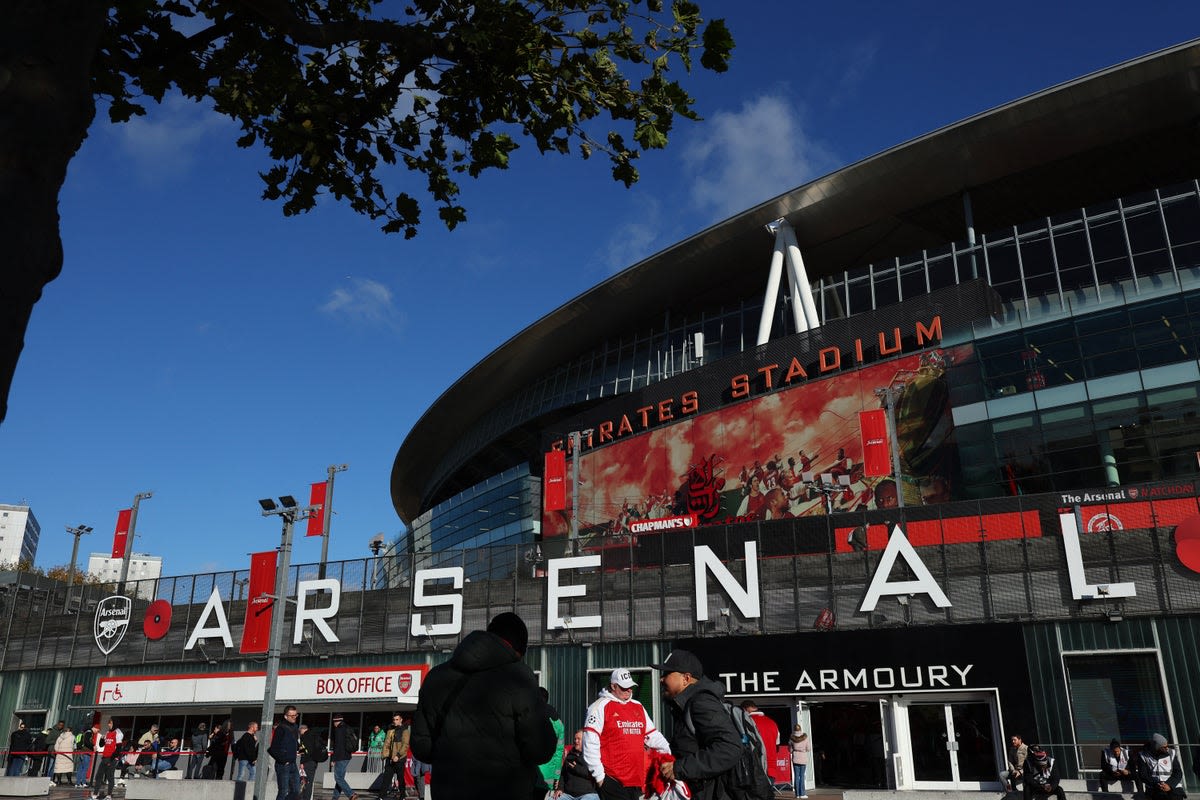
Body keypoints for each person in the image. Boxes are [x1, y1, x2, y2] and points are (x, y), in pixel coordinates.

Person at [410, 611, 556, 800]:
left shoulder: (436, 677)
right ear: (519, 649)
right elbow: (541, 748)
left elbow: (421, 746)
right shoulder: (518, 677)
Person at [651, 649, 742, 800]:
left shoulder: (701, 702)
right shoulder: (686, 705)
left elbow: (730, 747)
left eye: (666, 674)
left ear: (686, 678)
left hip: (713, 793)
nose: (661, 679)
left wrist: (679, 768)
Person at [582, 667, 671, 800]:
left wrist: (669, 755)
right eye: (624, 687)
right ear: (613, 686)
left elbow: (652, 735)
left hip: (636, 781)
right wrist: (600, 777)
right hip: (612, 780)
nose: (629, 690)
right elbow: (590, 742)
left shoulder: (638, 706)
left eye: (630, 686)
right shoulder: (599, 706)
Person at [267, 706, 302, 800]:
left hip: (293, 764)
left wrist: (302, 749)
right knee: (283, 791)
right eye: (292, 716)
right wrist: (283, 760)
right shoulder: (280, 728)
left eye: (296, 715)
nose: (294, 717)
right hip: (283, 765)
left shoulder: (295, 727)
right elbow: (272, 749)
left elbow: (294, 742)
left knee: (296, 791)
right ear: (286, 716)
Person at [1137, 734, 1185, 799]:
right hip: (1153, 786)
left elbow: (1178, 772)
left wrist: (1169, 785)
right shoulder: (1143, 755)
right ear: (1156, 747)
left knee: (1176, 796)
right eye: (1164, 747)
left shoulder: (1172, 753)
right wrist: (1157, 784)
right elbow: (1143, 775)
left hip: (1173, 786)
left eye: (1167, 746)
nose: (1167, 748)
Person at [557, 730, 599, 800]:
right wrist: (560, 789)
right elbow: (563, 774)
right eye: (575, 739)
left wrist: (577, 769)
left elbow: (595, 774)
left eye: (578, 739)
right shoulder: (570, 755)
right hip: (568, 795)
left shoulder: (591, 756)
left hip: (588, 794)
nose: (576, 741)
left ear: (585, 740)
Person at [539, 688, 566, 795]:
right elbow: (559, 752)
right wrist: (556, 776)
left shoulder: (532, 717)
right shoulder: (558, 723)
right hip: (548, 775)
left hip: (533, 773)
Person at [377, 712, 409, 799]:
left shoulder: (405, 730)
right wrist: (384, 755)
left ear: (401, 720)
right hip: (390, 758)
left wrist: (398, 756)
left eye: (397, 719)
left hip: (400, 758)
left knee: (400, 778)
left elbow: (405, 745)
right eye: (394, 719)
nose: (395, 721)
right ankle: (381, 797)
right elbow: (387, 744)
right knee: (386, 778)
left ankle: (402, 796)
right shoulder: (390, 730)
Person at [329, 714, 358, 800]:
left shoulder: (339, 730)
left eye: (334, 722)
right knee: (340, 778)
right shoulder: (347, 727)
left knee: (338, 778)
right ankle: (335, 797)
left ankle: (351, 794)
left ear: (337, 721)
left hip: (340, 757)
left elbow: (338, 746)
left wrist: (333, 759)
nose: (333, 724)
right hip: (347, 756)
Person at [92, 719, 123, 800]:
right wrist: (102, 739)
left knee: (110, 776)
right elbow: (102, 745)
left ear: (114, 724)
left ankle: (109, 795)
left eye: (110, 723)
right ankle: (95, 794)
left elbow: (119, 748)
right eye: (108, 723)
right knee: (98, 776)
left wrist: (111, 759)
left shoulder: (118, 733)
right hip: (105, 757)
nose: (108, 724)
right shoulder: (108, 732)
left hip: (112, 758)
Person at [789, 726, 809, 799]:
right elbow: (808, 748)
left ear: (794, 730)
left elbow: (790, 750)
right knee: (802, 776)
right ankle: (802, 793)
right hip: (803, 758)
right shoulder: (805, 737)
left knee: (796, 776)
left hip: (795, 757)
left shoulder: (792, 738)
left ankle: (797, 794)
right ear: (800, 729)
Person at [75, 721, 98, 787]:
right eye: (98, 730)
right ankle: (83, 782)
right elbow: (87, 742)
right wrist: (93, 746)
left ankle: (78, 782)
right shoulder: (89, 733)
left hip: (82, 751)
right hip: (86, 752)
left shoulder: (85, 732)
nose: (97, 732)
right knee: (85, 767)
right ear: (95, 728)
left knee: (81, 767)